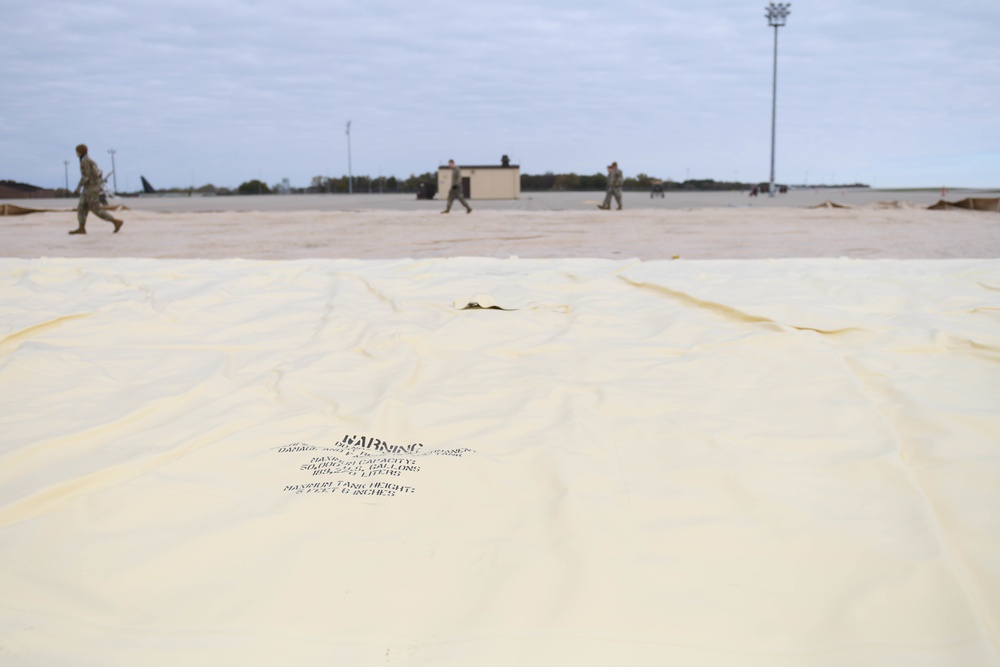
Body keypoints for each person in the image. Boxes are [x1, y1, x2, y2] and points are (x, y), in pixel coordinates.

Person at [70, 144, 123, 234]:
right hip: (89, 188)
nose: (76, 153)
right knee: (81, 208)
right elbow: (96, 173)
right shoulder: (88, 161)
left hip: (90, 189)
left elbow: (85, 177)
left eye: (77, 151)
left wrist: (78, 187)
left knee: (96, 209)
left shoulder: (85, 161)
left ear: (80, 152)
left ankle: (115, 221)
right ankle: (81, 228)